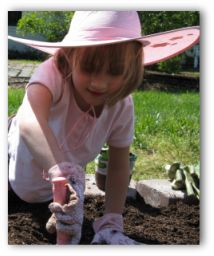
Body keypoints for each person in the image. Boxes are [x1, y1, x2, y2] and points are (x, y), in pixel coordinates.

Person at [8, 11, 200, 245]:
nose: (99, 82)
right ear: (69, 57)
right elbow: (30, 123)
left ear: (132, 66)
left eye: (115, 70)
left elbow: (118, 166)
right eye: (89, 67)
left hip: (50, 190)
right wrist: (61, 171)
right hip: (12, 167)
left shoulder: (121, 106)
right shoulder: (52, 76)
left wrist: (112, 219)